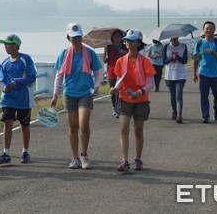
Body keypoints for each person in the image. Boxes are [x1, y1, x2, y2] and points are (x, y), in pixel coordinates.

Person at [50, 23, 103, 169]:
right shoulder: (64, 54)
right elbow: (59, 76)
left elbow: (98, 73)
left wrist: (97, 85)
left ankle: (84, 155)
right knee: (73, 126)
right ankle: (74, 158)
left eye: (79, 36)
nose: (77, 39)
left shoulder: (90, 53)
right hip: (69, 94)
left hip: (86, 93)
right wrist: (55, 94)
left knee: (83, 124)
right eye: (74, 37)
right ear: (68, 38)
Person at [110, 29, 156, 172]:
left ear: (139, 43)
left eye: (132, 40)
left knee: (138, 130)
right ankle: (124, 160)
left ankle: (138, 160)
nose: (128, 42)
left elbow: (151, 83)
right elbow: (119, 79)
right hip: (124, 99)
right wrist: (116, 89)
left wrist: (140, 92)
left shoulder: (145, 62)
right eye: (127, 40)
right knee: (123, 128)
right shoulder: (121, 61)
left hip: (141, 100)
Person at [0, 34, 37, 165]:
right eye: (4, 44)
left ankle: (25, 152)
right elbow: (1, 79)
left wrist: (16, 84)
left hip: (24, 98)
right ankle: (6, 153)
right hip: (8, 98)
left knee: (24, 125)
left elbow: (32, 77)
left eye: (8, 44)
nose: (5, 46)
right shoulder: (5, 62)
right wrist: (3, 88)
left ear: (16, 45)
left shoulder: (26, 59)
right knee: (7, 123)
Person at [193, 21, 217, 123]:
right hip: (203, 73)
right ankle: (205, 115)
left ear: (214, 30)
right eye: (207, 28)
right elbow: (196, 58)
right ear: (204, 30)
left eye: (211, 28)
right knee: (204, 95)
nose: (209, 30)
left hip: (216, 73)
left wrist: (213, 52)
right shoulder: (199, 43)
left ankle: (216, 110)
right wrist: (194, 73)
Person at [163, 36, 188, 123]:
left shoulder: (183, 46)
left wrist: (177, 57)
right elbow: (164, 61)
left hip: (180, 75)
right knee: (173, 97)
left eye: (176, 37)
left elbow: (185, 61)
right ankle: (175, 111)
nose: (174, 39)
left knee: (178, 96)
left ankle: (179, 115)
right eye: (173, 38)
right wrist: (171, 58)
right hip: (169, 75)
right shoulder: (166, 47)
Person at [103, 29, 127, 118]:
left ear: (121, 38)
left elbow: (130, 57)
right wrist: (105, 52)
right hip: (112, 72)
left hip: (122, 72)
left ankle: (119, 108)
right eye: (115, 36)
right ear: (112, 38)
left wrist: (125, 53)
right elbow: (105, 61)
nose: (116, 38)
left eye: (118, 36)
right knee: (113, 91)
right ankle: (114, 108)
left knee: (121, 91)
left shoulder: (124, 47)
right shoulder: (108, 47)